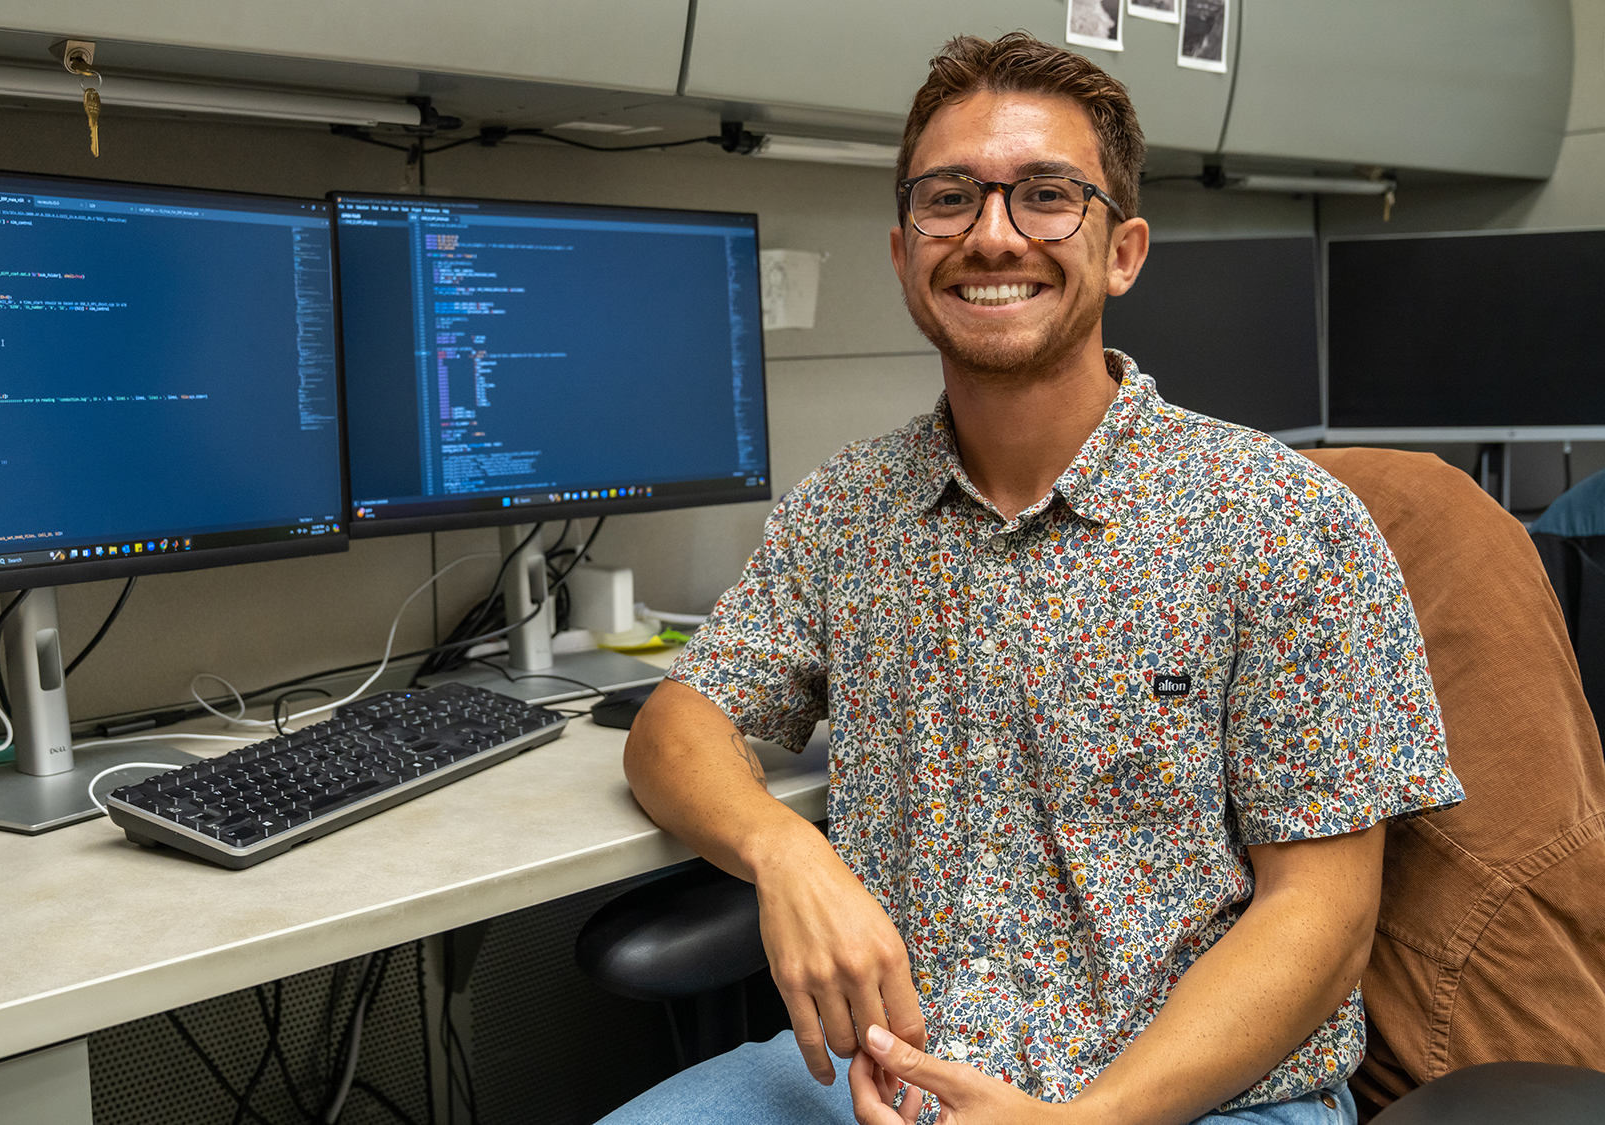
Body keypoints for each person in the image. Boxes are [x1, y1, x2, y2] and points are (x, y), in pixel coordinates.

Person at [605, 31, 1463, 1125]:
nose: (991, 234)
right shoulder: (845, 514)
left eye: (1046, 195)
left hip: (1196, 1098)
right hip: (885, 1078)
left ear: (1121, 250)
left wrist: (1082, 1123)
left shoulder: (1277, 523)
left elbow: (1323, 917)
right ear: (905, 248)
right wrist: (785, 854)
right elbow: (674, 723)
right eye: (949, 198)